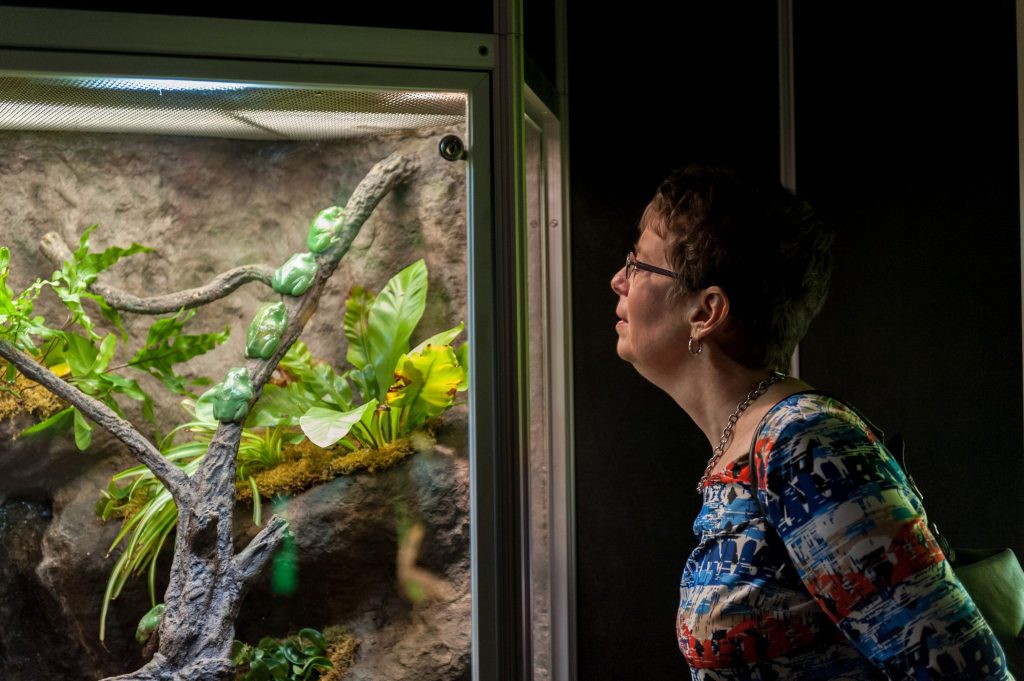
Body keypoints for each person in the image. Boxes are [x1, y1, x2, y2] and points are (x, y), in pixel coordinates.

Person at [610, 165, 1011, 680]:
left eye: (639, 263)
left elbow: (963, 670)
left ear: (706, 311)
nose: (618, 280)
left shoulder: (805, 445)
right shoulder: (751, 443)